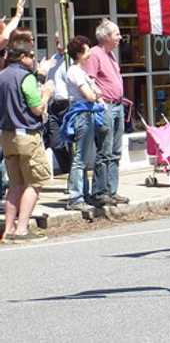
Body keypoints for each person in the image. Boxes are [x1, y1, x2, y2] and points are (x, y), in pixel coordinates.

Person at [0, 39, 54, 243]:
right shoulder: (25, 78)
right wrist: (47, 93)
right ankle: (22, 229)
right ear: (22, 57)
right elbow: (37, 108)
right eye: (31, 55)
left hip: (6, 135)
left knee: (15, 184)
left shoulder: (2, 76)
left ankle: (8, 229)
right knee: (35, 182)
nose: (33, 59)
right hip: (27, 135)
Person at [84, 19, 127, 207]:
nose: (119, 37)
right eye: (116, 34)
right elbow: (90, 81)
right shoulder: (95, 54)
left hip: (118, 105)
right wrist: (99, 101)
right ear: (106, 36)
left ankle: (112, 190)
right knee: (105, 150)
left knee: (116, 151)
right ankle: (100, 192)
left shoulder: (110, 55)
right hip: (105, 106)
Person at [63, 36, 104, 211]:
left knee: (84, 158)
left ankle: (83, 194)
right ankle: (75, 197)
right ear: (79, 53)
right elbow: (90, 94)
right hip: (81, 115)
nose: (90, 54)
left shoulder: (82, 72)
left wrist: (96, 94)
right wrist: (96, 96)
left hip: (88, 114)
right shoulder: (75, 71)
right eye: (87, 50)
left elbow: (98, 91)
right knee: (79, 158)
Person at [44, 34, 72, 175]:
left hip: (69, 104)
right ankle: (67, 170)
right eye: (56, 41)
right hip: (54, 105)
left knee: (72, 143)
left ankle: (73, 179)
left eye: (60, 40)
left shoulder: (71, 60)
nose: (57, 43)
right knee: (55, 142)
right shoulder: (53, 59)